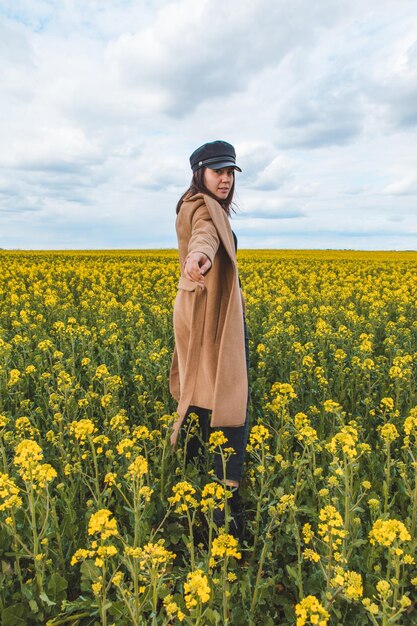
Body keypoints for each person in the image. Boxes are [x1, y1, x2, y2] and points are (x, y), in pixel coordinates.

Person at [169, 140, 250, 541]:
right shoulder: (201, 207)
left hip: (207, 322)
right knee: (231, 410)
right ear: (199, 172)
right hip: (215, 326)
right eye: (217, 170)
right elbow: (206, 237)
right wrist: (198, 256)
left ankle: (191, 494)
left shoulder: (197, 204)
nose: (225, 178)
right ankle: (223, 515)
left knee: (203, 403)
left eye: (230, 171)